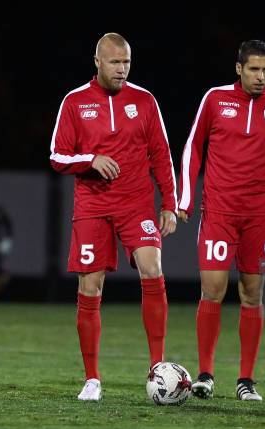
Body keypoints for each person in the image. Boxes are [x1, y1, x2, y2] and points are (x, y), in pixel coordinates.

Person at [50, 33, 177, 402]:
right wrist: (89, 160)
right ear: (98, 62)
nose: (122, 69)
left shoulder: (145, 101)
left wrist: (169, 203)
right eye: (115, 63)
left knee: (152, 268)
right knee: (90, 289)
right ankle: (92, 378)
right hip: (92, 207)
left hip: (136, 204)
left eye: (126, 63)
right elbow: (58, 156)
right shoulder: (74, 102)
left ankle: (157, 368)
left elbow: (161, 154)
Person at [178, 40, 265, 401]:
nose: (260, 77)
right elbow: (193, 146)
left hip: (259, 216)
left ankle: (246, 380)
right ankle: (205, 374)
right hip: (218, 212)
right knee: (212, 290)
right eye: (254, 69)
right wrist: (184, 198)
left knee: (252, 295)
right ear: (239, 68)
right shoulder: (215, 99)